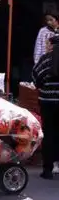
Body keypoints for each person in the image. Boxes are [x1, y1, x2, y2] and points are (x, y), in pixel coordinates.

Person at [31, 35, 59, 180]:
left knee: (48, 134)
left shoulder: (46, 59)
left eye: (48, 44)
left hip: (48, 102)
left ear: (52, 45)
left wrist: (43, 85)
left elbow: (36, 77)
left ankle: (47, 170)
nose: (46, 47)